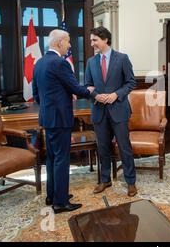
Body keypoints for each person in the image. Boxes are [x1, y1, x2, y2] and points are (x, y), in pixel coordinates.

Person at [33, 29, 96, 214]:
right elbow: (76, 88)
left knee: (52, 158)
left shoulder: (40, 63)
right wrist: (92, 91)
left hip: (48, 118)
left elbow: (37, 94)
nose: (69, 45)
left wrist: (50, 105)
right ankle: (60, 202)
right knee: (61, 159)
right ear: (60, 42)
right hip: (60, 119)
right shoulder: (60, 63)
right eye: (68, 42)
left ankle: (52, 195)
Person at [85, 26, 138, 196]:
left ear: (105, 40)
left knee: (124, 147)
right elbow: (87, 85)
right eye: (91, 40)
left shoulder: (122, 58)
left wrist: (116, 94)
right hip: (99, 111)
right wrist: (95, 95)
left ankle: (131, 182)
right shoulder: (91, 62)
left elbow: (131, 83)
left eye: (94, 40)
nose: (92, 43)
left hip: (119, 110)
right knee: (103, 148)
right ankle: (105, 179)